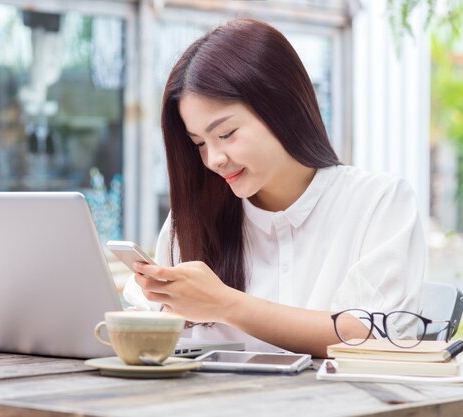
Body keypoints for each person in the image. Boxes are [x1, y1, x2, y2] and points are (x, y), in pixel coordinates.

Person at [123, 18, 424, 358]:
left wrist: (225, 304)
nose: (214, 159)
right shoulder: (193, 218)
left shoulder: (379, 202)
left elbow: (373, 335)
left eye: (225, 134)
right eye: (199, 143)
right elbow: (150, 316)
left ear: (282, 108)